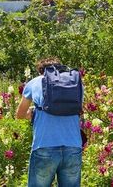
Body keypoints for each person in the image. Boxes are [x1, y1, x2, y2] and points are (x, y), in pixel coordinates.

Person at [16, 58, 83, 187]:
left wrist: (33, 113)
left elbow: (20, 114)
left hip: (44, 147)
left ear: (41, 71)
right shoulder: (75, 84)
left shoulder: (34, 82)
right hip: (73, 147)